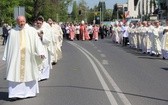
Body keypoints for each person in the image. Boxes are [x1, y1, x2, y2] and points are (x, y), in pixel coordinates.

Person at [2, 16, 45, 99]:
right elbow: (8, 46)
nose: (21, 23)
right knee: (15, 74)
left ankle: (30, 93)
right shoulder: (13, 32)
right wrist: (6, 56)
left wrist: (41, 52)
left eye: (23, 21)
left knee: (29, 73)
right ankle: (16, 94)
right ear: (17, 22)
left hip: (29, 58)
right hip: (16, 59)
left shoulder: (31, 30)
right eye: (19, 22)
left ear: (25, 21)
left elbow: (37, 42)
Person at [35, 16, 53, 81]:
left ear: (42, 23)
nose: (38, 24)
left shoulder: (46, 29)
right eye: (37, 23)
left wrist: (42, 36)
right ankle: (38, 76)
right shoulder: (34, 29)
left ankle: (44, 75)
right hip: (36, 49)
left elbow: (49, 39)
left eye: (40, 23)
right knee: (37, 63)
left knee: (44, 62)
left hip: (44, 47)